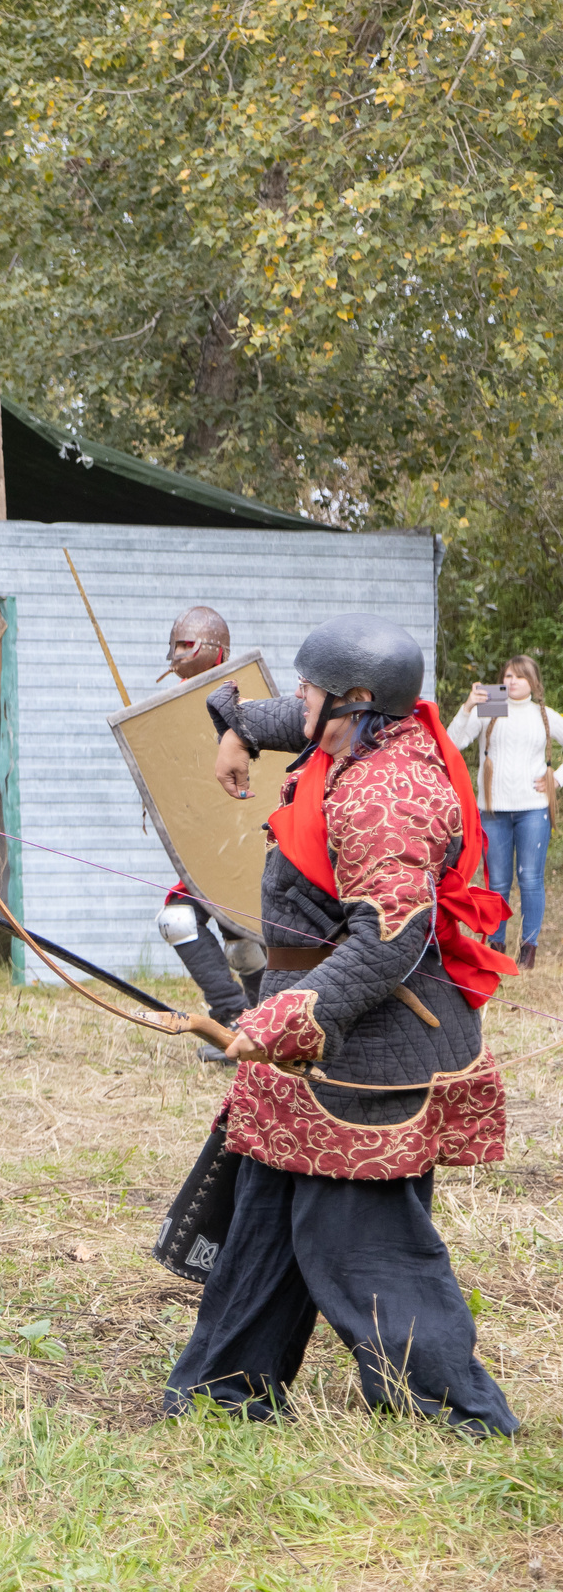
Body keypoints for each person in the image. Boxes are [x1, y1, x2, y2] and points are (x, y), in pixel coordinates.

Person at [178, 614, 515, 1434]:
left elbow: (390, 941)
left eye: (309, 688)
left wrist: (288, 1017)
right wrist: (233, 729)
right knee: (265, 1210)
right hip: (323, 1044)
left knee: (359, 1239)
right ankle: (229, 1388)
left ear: (358, 703)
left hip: (369, 1047)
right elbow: (284, 718)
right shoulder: (361, 731)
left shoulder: (387, 794)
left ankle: (454, 1411)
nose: (296, 700)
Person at [150, 602, 264, 1060]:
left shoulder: (247, 695)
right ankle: (232, 1015)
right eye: (174, 645)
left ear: (213, 648)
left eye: (186, 644)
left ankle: (263, 1020)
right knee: (179, 918)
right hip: (205, 845)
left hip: (247, 837)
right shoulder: (166, 710)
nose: (178, 653)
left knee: (244, 939)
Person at [449, 656, 563, 970]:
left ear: (534, 682)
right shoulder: (494, 704)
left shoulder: (543, 715)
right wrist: (469, 706)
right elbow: (452, 742)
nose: (513, 681)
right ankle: (495, 945)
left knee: (529, 879)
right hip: (494, 810)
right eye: (509, 675)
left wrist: (556, 778)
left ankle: (528, 949)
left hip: (533, 810)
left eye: (521, 677)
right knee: (497, 882)